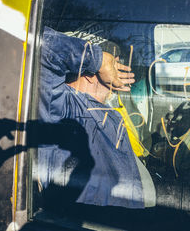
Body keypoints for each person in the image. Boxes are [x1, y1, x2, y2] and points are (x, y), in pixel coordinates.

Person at [37, 26, 155, 209]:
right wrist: (97, 59)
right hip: (85, 219)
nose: (118, 73)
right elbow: (39, 43)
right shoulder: (62, 105)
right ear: (91, 74)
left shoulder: (112, 112)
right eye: (114, 65)